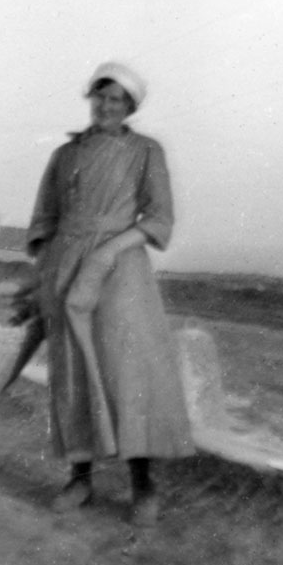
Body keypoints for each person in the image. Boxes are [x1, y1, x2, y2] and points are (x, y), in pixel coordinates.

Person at [26, 61, 194, 526]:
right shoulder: (65, 154)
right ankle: (80, 477)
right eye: (99, 96)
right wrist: (48, 265)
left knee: (127, 372)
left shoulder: (146, 151)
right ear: (90, 99)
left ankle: (143, 484)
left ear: (130, 107)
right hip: (66, 266)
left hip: (121, 272)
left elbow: (160, 219)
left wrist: (107, 252)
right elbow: (44, 218)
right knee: (73, 373)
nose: (105, 106)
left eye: (116, 100)